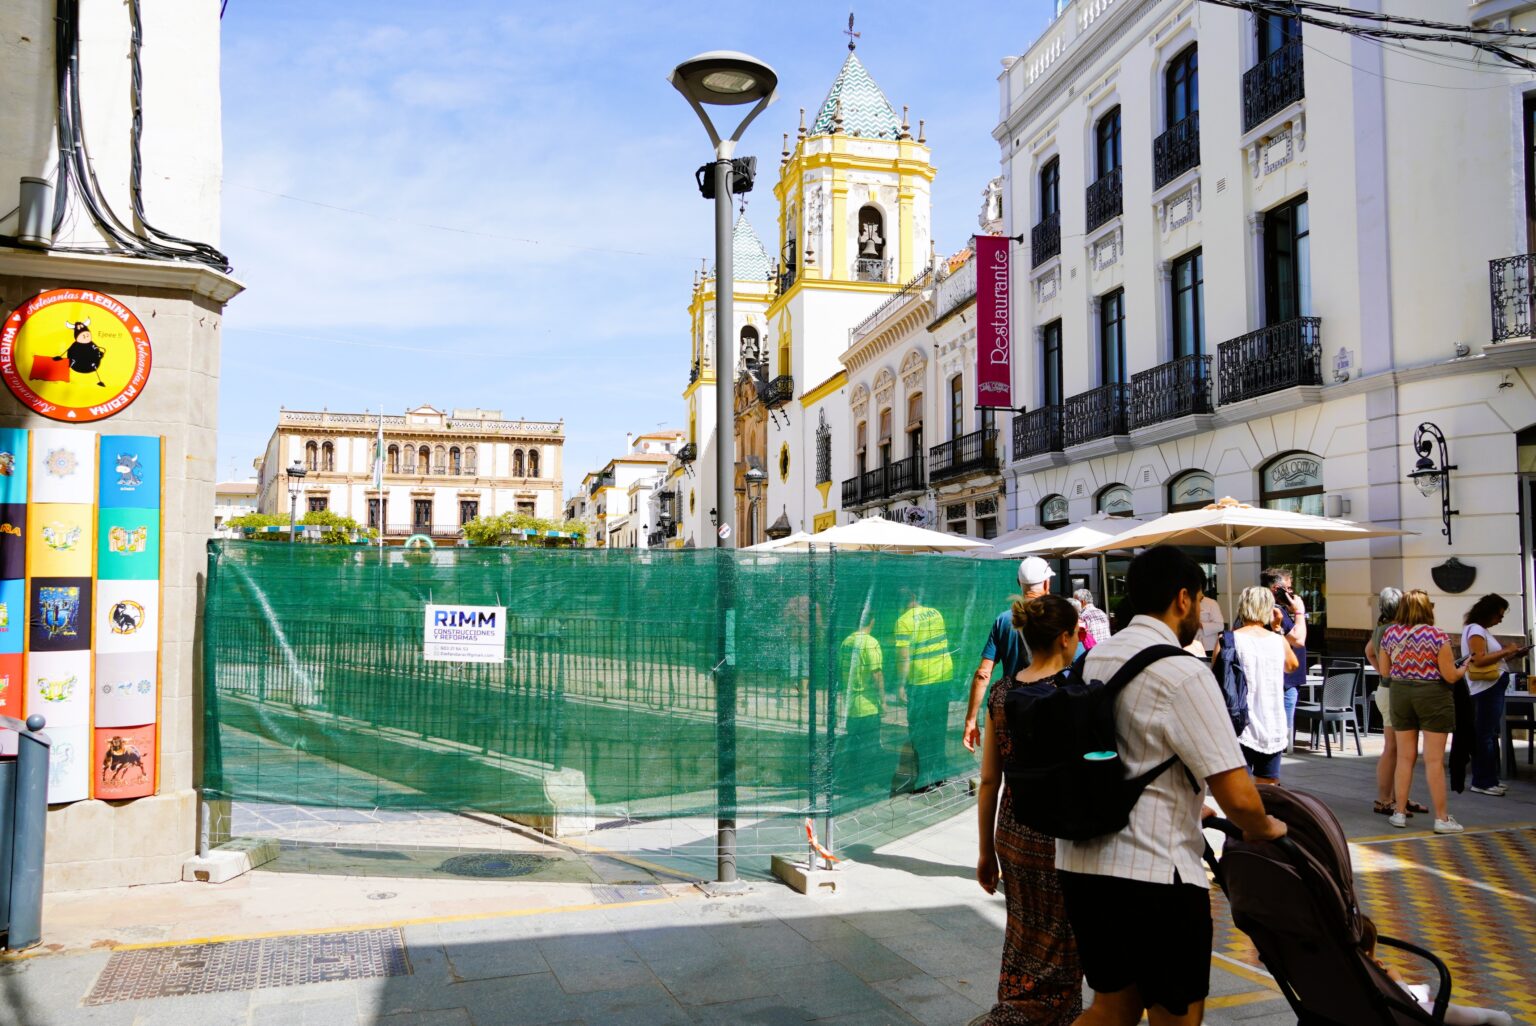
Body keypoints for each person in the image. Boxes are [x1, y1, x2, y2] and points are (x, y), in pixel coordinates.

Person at [1058, 546, 1286, 1026]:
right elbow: (1239, 796)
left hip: (1081, 867)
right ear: (1183, 598)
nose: (1202, 613)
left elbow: (1129, 756)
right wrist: (1266, 828)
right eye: (1202, 600)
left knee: (1111, 1009)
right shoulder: (1183, 672)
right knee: (1176, 1016)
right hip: (1156, 875)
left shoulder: (1091, 661)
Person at [976, 593, 1084, 1025]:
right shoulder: (1076, 694)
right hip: (1062, 837)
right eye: (1076, 633)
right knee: (1061, 947)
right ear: (1063, 638)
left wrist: (986, 853)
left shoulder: (1001, 695)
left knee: (1022, 935)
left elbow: (988, 782)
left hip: (1013, 834)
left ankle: (1013, 1005)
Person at [1380, 589, 1467, 833]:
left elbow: (1385, 672)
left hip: (1400, 694)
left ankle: (1399, 813)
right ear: (1428, 609)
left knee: (1405, 757)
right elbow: (1449, 675)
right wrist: (1464, 669)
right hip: (1432, 695)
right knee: (1434, 760)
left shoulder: (1390, 634)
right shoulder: (1438, 636)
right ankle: (1441, 818)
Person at [963, 556, 1054, 752]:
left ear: (1019, 584)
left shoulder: (1003, 620)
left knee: (1012, 768)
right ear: (1047, 584)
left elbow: (982, 675)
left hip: (1010, 710)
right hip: (1050, 710)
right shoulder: (1058, 618)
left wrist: (971, 720)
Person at [1210, 587, 1297, 784]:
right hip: (1272, 723)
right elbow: (1292, 666)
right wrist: (1278, 629)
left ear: (1242, 607)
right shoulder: (1278, 640)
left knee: (1241, 791)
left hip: (1238, 722)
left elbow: (1215, 676)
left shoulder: (1228, 639)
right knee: (1268, 791)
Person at [1365, 588, 1428, 818]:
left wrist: (1382, 671)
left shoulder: (1381, 628)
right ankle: (1385, 799)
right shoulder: (1395, 630)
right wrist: (1386, 672)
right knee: (1394, 748)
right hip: (1393, 691)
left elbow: (1368, 651)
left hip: (1388, 689)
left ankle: (1398, 797)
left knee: (1400, 748)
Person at [1461, 594, 1530, 797]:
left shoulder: (1481, 631)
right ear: (1488, 613)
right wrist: (1506, 650)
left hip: (1491, 685)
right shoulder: (1475, 630)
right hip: (1486, 687)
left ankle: (1489, 779)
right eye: (1498, 615)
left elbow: (1490, 658)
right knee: (1485, 735)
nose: (1500, 619)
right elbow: (1479, 660)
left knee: (1490, 734)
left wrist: (1513, 654)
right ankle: (1482, 781)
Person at [894, 587, 955, 791]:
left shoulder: (903, 622)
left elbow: (904, 657)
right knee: (938, 727)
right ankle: (939, 775)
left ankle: (924, 780)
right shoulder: (935, 613)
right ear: (914, 597)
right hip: (943, 676)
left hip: (921, 681)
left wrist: (901, 684)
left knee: (920, 731)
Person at [1260, 568, 1307, 739]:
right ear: (1276, 589)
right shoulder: (1275, 612)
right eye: (1288, 588)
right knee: (1282, 733)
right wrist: (1299, 612)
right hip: (1284, 680)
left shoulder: (1270, 610)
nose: (1292, 593)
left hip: (1280, 678)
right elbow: (1299, 639)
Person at [838, 606, 885, 769]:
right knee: (869, 748)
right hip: (868, 706)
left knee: (853, 747)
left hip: (850, 707)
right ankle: (867, 784)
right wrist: (883, 701)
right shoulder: (870, 642)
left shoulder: (846, 642)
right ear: (872, 621)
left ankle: (853, 783)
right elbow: (876, 674)